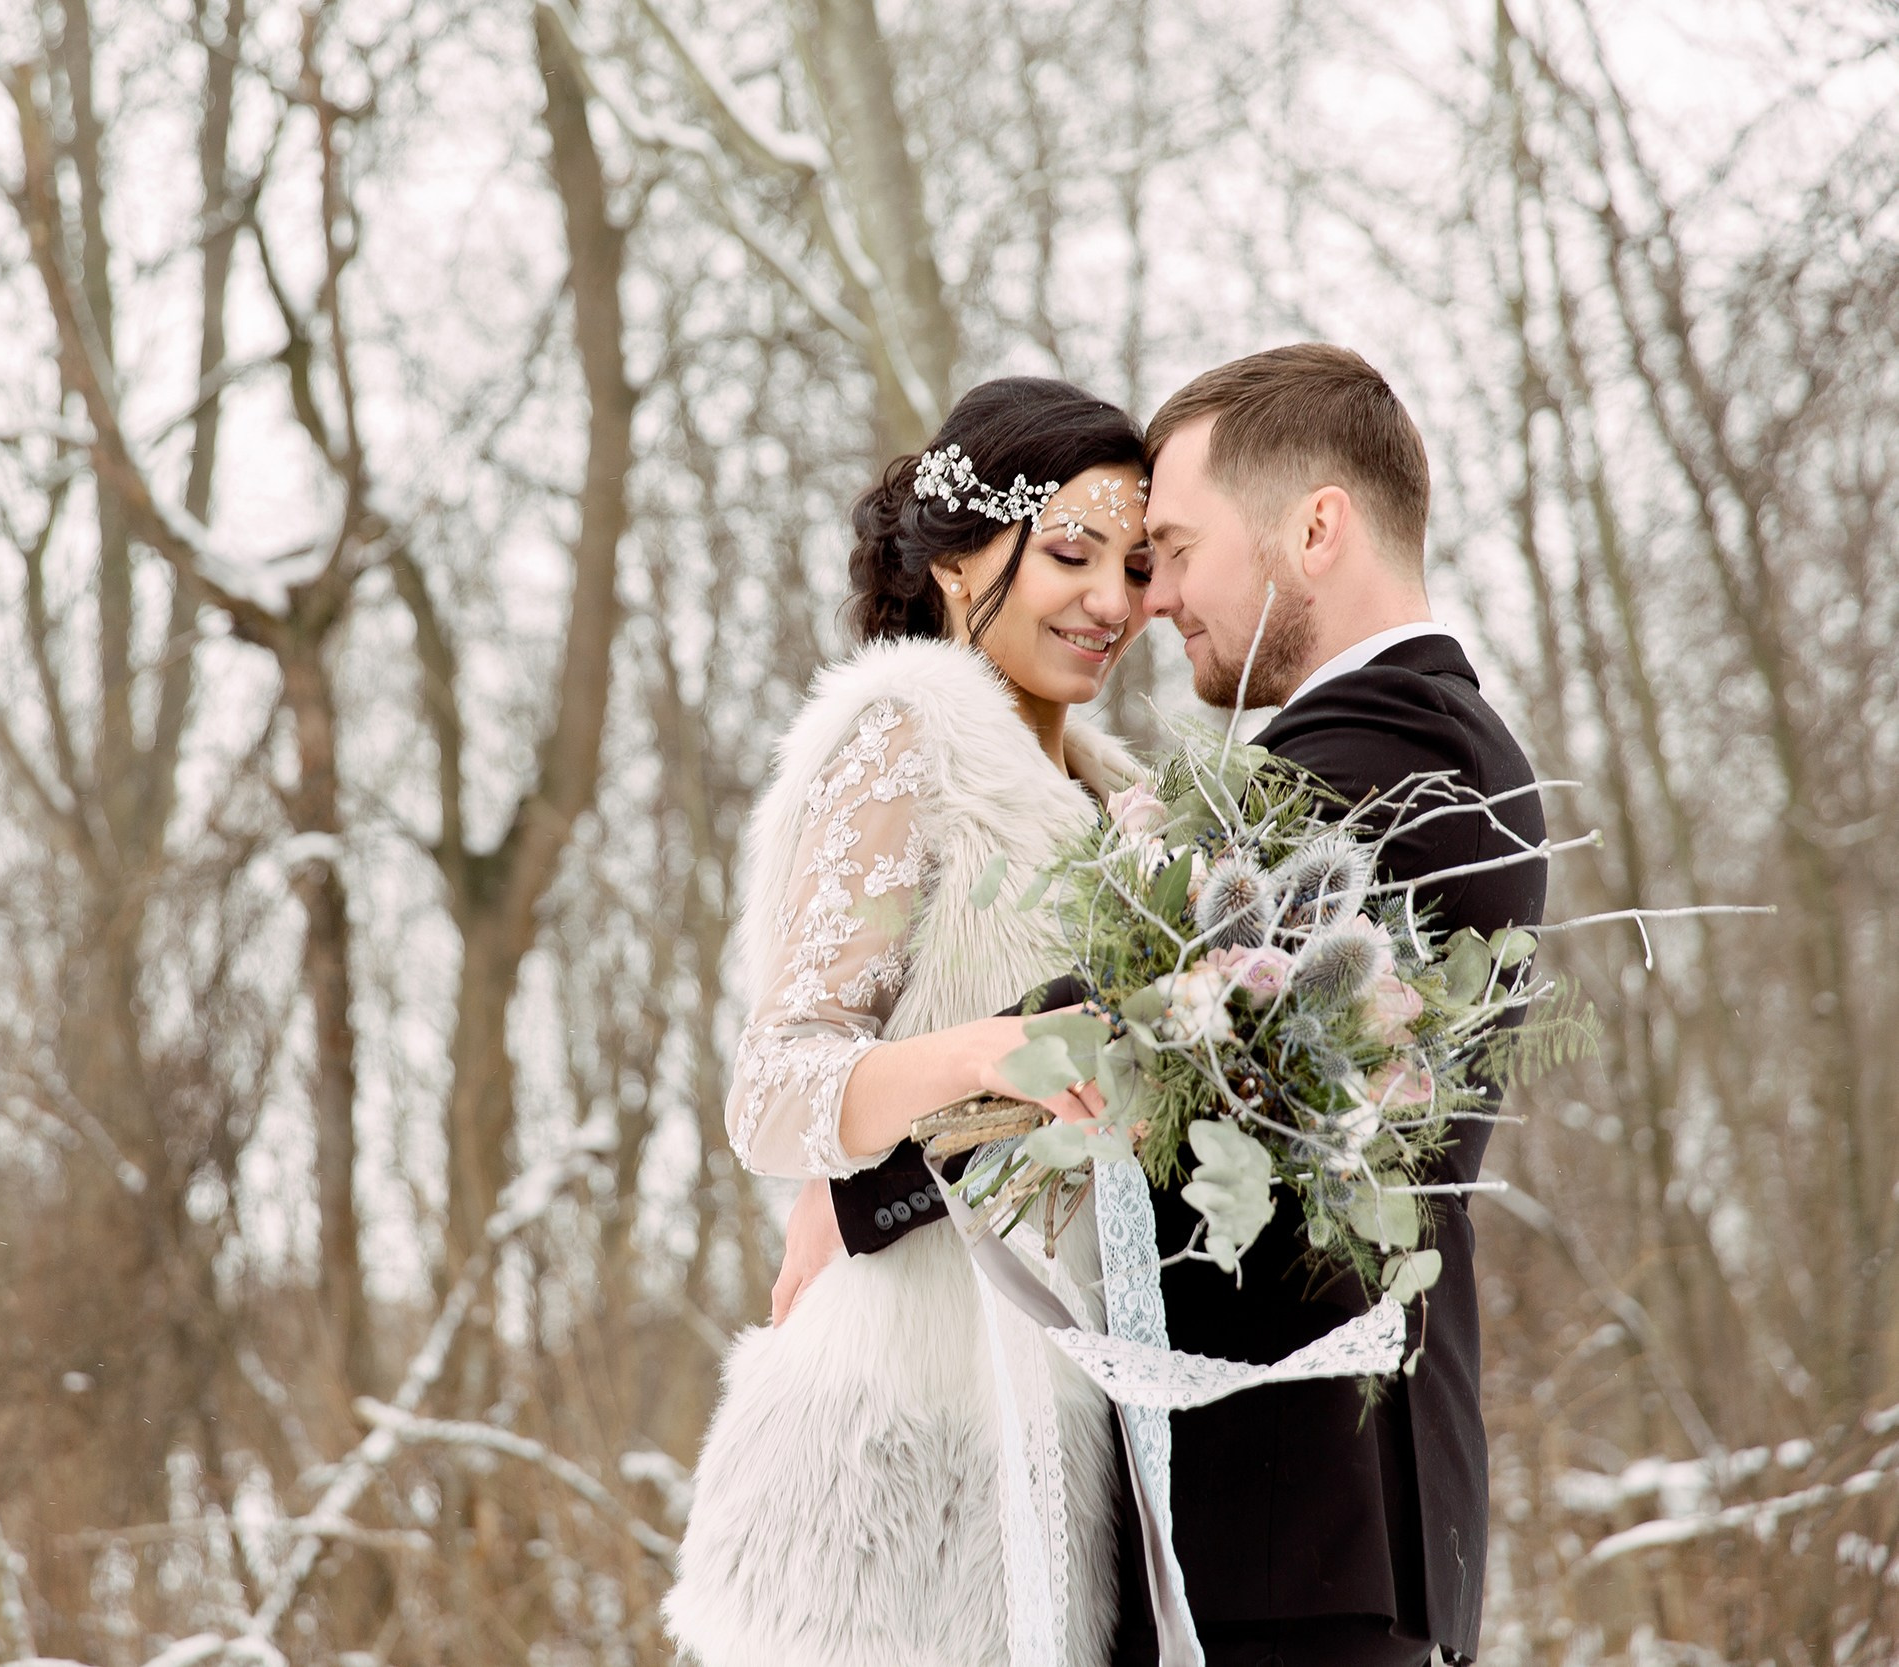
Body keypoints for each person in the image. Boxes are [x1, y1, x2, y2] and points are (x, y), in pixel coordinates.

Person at [816, 344, 1548, 1667]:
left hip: (1300, 1532)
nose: (1151, 602)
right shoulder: (1386, 746)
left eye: (1174, 548)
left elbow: (1145, 1015)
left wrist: (862, 1184)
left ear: (1317, 526)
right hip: (1296, 1533)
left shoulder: (1395, 757)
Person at [662, 377, 1154, 1667]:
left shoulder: (1129, 818)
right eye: (1070, 553)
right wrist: (989, 1053)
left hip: (1058, 1461)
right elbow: (775, 1086)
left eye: (1140, 563)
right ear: (953, 564)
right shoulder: (905, 740)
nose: (1113, 601)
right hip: (882, 1449)